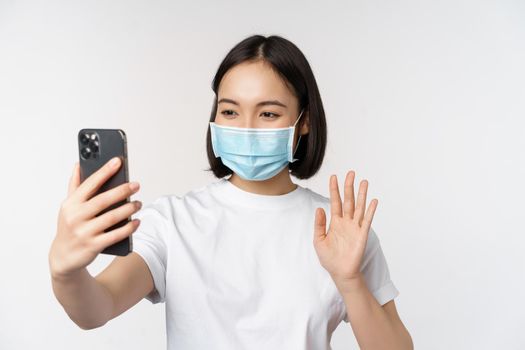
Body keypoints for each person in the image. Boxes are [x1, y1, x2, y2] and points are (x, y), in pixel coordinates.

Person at [49, 34, 413, 349]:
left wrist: (349, 281)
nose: (247, 127)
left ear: (304, 123)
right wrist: (65, 271)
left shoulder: (340, 231)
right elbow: (98, 307)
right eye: (230, 111)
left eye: (268, 114)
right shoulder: (172, 222)